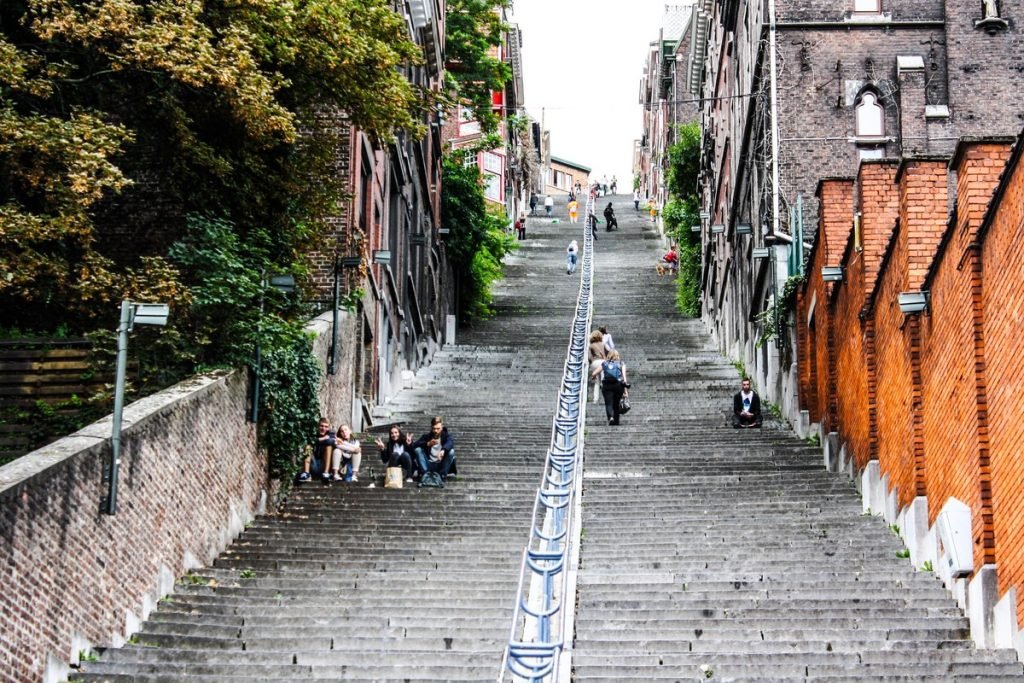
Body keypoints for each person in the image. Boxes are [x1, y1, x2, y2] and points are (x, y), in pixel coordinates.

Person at [413, 416, 456, 481]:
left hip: (441, 464)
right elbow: (415, 445)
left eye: (438, 428)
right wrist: (427, 444)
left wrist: (443, 450)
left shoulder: (447, 436)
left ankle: (442, 475)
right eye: (434, 428)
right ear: (431, 427)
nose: (436, 431)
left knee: (451, 452)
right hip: (428, 464)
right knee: (418, 450)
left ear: (442, 427)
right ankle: (425, 474)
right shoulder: (426, 437)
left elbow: (450, 443)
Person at [593, 349, 629, 425]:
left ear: (609, 355)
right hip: (618, 385)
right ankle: (616, 421)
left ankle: (611, 417)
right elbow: (624, 378)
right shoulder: (621, 363)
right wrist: (625, 391)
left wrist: (593, 377)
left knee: (609, 403)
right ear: (617, 356)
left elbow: (594, 373)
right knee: (616, 403)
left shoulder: (605, 363)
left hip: (607, 385)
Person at [299, 417, 335, 482]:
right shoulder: (313, 433)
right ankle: (306, 473)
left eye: (326, 427)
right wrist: (321, 439)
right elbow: (308, 441)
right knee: (308, 447)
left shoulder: (331, 434)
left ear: (329, 428)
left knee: (329, 447)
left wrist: (316, 441)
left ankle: (326, 473)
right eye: (321, 426)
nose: (323, 428)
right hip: (313, 463)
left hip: (324, 463)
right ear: (318, 426)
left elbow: (330, 441)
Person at [588, 329, 606, 403]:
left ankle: (595, 399)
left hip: (594, 363)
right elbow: (604, 356)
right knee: (603, 367)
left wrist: (592, 362)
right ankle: (603, 381)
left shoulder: (591, 345)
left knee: (596, 382)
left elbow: (589, 357)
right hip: (602, 362)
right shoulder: (602, 344)